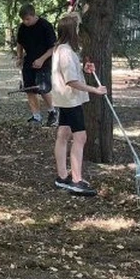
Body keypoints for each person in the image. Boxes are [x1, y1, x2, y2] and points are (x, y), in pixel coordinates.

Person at [50, 14, 106, 197]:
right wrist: (95, 90)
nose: (80, 31)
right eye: (78, 27)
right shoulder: (65, 51)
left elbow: (71, 73)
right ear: (72, 31)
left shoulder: (62, 49)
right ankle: (76, 180)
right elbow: (71, 81)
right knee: (80, 138)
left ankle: (62, 177)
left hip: (65, 100)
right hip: (70, 100)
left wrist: (84, 69)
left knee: (63, 134)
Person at [14, 4, 57, 126]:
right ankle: (36, 116)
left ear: (33, 15)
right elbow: (19, 43)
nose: (25, 22)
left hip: (44, 62)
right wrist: (19, 57)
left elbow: (53, 47)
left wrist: (42, 59)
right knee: (29, 89)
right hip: (29, 62)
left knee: (43, 88)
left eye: (27, 19)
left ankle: (53, 112)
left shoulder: (45, 26)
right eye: (23, 20)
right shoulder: (22, 28)